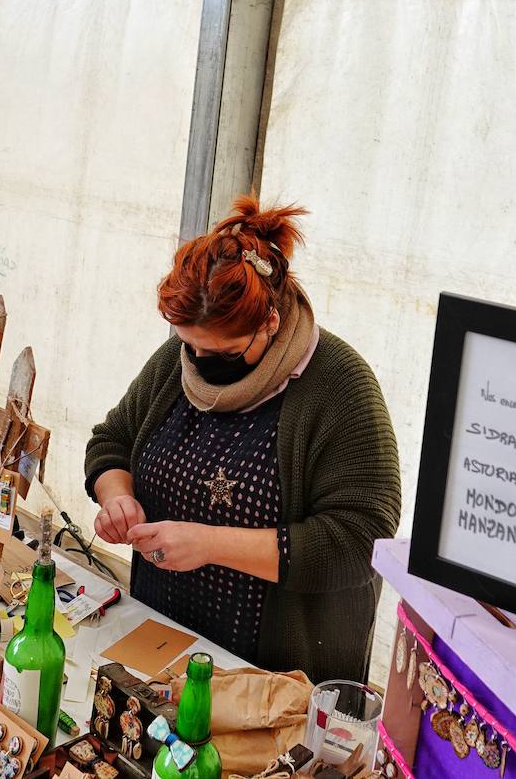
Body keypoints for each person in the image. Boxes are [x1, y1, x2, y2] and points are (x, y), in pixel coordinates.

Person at [86, 197, 401, 682]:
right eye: (188, 344)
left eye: (221, 351)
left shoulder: (341, 387)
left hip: (272, 681)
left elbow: (360, 542)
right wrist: (117, 496)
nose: (196, 358)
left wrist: (211, 544)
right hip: (163, 645)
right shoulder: (180, 360)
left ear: (270, 322)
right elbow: (112, 440)